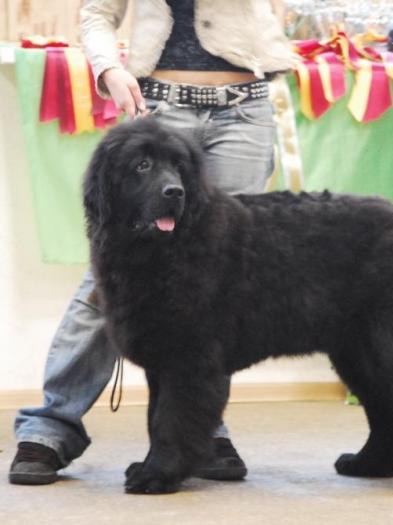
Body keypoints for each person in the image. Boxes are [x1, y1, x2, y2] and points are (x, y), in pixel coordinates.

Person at [9, 0, 295, 485]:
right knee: (109, 282)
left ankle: (199, 434)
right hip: (159, 107)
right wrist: (108, 69)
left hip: (246, 111)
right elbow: (96, 13)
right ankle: (49, 429)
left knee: (215, 285)